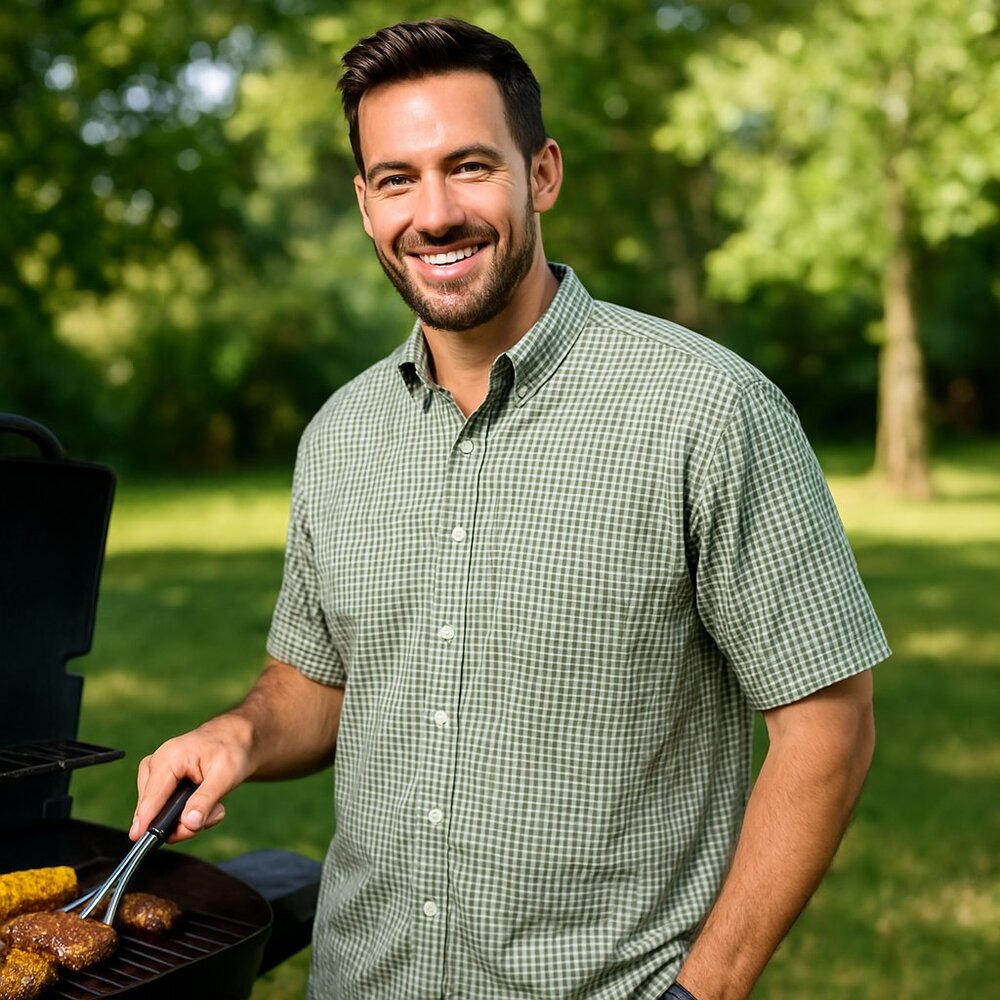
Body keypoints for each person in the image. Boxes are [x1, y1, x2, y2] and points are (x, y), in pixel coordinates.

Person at [130, 18, 890, 999]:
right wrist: (238, 732)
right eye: (397, 179)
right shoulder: (339, 434)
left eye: (470, 166)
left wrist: (705, 990)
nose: (434, 212)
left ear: (542, 175)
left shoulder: (707, 410)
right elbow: (318, 680)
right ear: (366, 206)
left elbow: (827, 721)